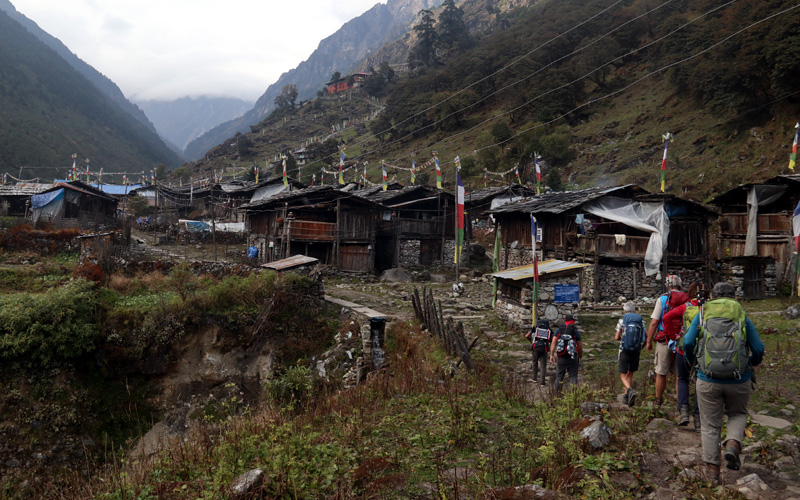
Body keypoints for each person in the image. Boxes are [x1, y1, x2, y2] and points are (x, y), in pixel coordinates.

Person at [684, 282, 764, 483]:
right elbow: (759, 348)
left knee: (710, 425)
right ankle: (732, 444)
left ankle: (712, 473)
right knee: (737, 413)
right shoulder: (741, 314)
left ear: (713, 296)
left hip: (707, 378)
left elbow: (687, 342)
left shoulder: (703, 314)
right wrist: (750, 364)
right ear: (734, 296)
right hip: (739, 378)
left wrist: (692, 361)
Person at [662, 281, 703, 428]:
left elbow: (666, 318)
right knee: (700, 381)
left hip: (683, 348)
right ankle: (698, 418)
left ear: (689, 293)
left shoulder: (684, 307)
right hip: (703, 350)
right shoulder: (709, 308)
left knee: (683, 379)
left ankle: (683, 412)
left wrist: (673, 336)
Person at [645, 275, 689, 407]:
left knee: (660, 372)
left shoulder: (663, 299)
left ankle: (658, 400)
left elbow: (654, 322)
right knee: (679, 375)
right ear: (680, 286)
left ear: (668, 286)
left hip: (664, 339)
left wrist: (648, 340)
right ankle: (681, 405)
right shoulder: (687, 299)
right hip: (681, 339)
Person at [615, 301, 644, 407]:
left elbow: (616, 337)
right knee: (630, 373)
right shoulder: (641, 321)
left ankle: (629, 390)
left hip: (624, 350)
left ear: (625, 310)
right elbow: (643, 337)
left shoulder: (622, 321)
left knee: (623, 375)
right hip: (636, 351)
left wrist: (624, 339)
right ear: (634, 310)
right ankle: (626, 395)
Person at [550, 314, 583, 393]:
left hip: (561, 357)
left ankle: (557, 394)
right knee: (573, 376)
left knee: (559, 377)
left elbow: (553, 343)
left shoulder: (558, 330)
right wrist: (580, 355)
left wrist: (551, 354)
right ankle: (573, 395)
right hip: (572, 357)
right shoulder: (575, 331)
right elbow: (579, 346)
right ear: (572, 321)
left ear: (564, 321)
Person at [525, 319, 552, 386]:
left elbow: (526, 336)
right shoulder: (549, 329)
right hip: (544, 348)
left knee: (534, 363)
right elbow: (551, 340)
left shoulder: (535, 328)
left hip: (535, 348)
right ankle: (542, 382)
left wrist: (531, 341)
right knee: (543, 366)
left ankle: (534, 378)